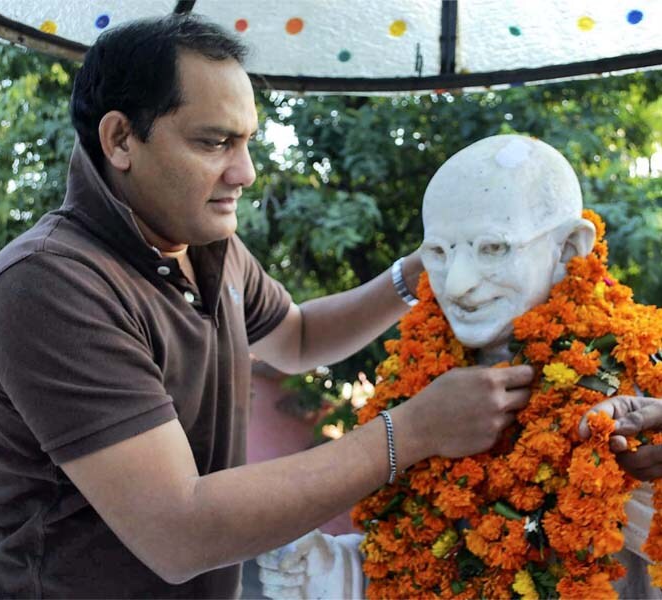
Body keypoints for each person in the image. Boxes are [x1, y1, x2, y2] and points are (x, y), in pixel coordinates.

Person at [0, 16, 534, 599]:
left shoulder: (206, 244)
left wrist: (419, 272)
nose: (245, 173)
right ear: (119, 141)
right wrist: (411, 431)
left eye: (247, 142)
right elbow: (178, 529)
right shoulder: (50, 282)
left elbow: (299, 338)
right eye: (214, 142)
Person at [258, 134, 661, 599]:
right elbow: (431, 549)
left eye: (491, 249)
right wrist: (342, 570)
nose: (460, 285)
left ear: (570, 247)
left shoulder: (637, 376)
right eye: (440, 253)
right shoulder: (423, 377)